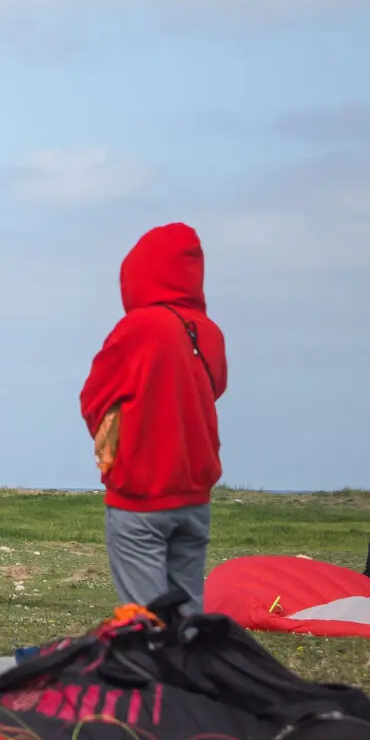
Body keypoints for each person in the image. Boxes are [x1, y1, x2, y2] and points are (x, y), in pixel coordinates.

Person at [80, 222, 229, 617]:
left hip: (140, 496)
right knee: (188, 616)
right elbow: (215, 390)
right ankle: (191, 677)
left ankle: (156, 679)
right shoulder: (210, 332)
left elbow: (94, 395)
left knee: (146, 624)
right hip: (194, 496)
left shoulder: (138, 328)